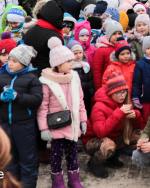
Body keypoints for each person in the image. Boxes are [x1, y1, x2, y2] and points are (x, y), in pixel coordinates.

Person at [37, 37, 87, 188]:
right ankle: (57, 182)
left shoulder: (74, 77)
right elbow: (43, 107)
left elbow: (80, 100)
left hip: (72, 124)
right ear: (58, 64)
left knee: (73, 154)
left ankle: (74, 180)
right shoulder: (46, 82)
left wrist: (83, 120)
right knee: (56, 156)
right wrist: (44, 128)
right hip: (56, 126)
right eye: (69, 61)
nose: (73, 64)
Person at [83, 69, 143, 178]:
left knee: (141, 135)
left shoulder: (125, 103)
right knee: (108, 146)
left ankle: (113, 157)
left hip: (114, 138)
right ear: (111, 93)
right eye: (118, 92)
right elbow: (100, 132)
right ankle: (94, 163)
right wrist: (118, 113)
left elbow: (136, 127)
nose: (122, 95)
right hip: (93, 141)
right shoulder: (99, 107)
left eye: (124, 91)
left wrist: (136, 116)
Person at [0, 44, 42, 188]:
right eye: (9, 60)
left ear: (24, 63)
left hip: (25, 125)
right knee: (8, 158)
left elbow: (36, 100)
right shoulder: (2, 77)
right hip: (5, 124)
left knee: (28, 158)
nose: (9, 63)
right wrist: (1, 97)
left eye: (14, 61)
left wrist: (18, 96)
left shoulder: (32, 79)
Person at [92, 21, 125, 90]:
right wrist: (99, 89)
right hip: (107, 86)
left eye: (119, 33)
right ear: (109, 35)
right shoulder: (102, 50)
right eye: (114, 34)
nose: (117, 36)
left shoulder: (125, 48)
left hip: (123, 86)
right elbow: (97, 72)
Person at [69, 40, 95, 118]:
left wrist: (92, 94)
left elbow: (90, 81)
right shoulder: (69, 67)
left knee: (86, 113)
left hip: (86, 95)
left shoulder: (86, 65)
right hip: (74, 96)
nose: (78, 55)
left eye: (80, 53)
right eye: (75, 53)